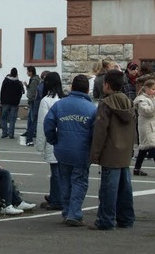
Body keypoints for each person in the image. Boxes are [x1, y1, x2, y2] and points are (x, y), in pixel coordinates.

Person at [44, 74, 97, 226]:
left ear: (72, 88)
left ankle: (67, 211)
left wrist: (54, 140)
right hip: (82, 152)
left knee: (65, 181)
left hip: (62, 151)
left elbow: (48, 124)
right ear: (87, 90)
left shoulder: (60, 105)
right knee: (79, 182)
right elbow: (95, 133)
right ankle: (74, 213)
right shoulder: (92, 109)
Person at [89, 69, 136, 230]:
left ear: (107, 85)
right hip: (124, 152)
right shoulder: (128, 102)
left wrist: (94, 154)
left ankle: (106, 220)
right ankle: (126, 218)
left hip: (110, 152)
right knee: (125, 189)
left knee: (108, 189)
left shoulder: (106, 103)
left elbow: (100, 131)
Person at [35, 72, 65, 211]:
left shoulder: (46, 100)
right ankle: (57, 195)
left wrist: (40, 145)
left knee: (56, 172)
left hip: (53, 139)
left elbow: (42, 124)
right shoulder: (64, 99)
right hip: (65, 140)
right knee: (63, 171)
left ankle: (57, 200)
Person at [0, 68, 24, 139]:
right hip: (14, 103)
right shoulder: (18, 82)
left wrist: (1, 101)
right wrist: (17, 101)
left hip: (5, 102)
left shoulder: (6, 81)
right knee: (12, 118)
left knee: (3, 117)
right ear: (16, 74)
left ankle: (4, 133)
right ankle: (11, 134)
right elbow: (20, 93)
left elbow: (2, 91)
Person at [24, 66, 41, 146]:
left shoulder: (34, 80)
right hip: (33, 101)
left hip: (33, 102)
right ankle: (30, 134)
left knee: (32, 120)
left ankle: (30, 136)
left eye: (28, 71)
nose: (27, 73)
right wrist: (27, 86)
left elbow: (32, 92)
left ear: (31, 72)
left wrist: (29, 97)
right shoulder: (34, 79)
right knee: (31, 120)